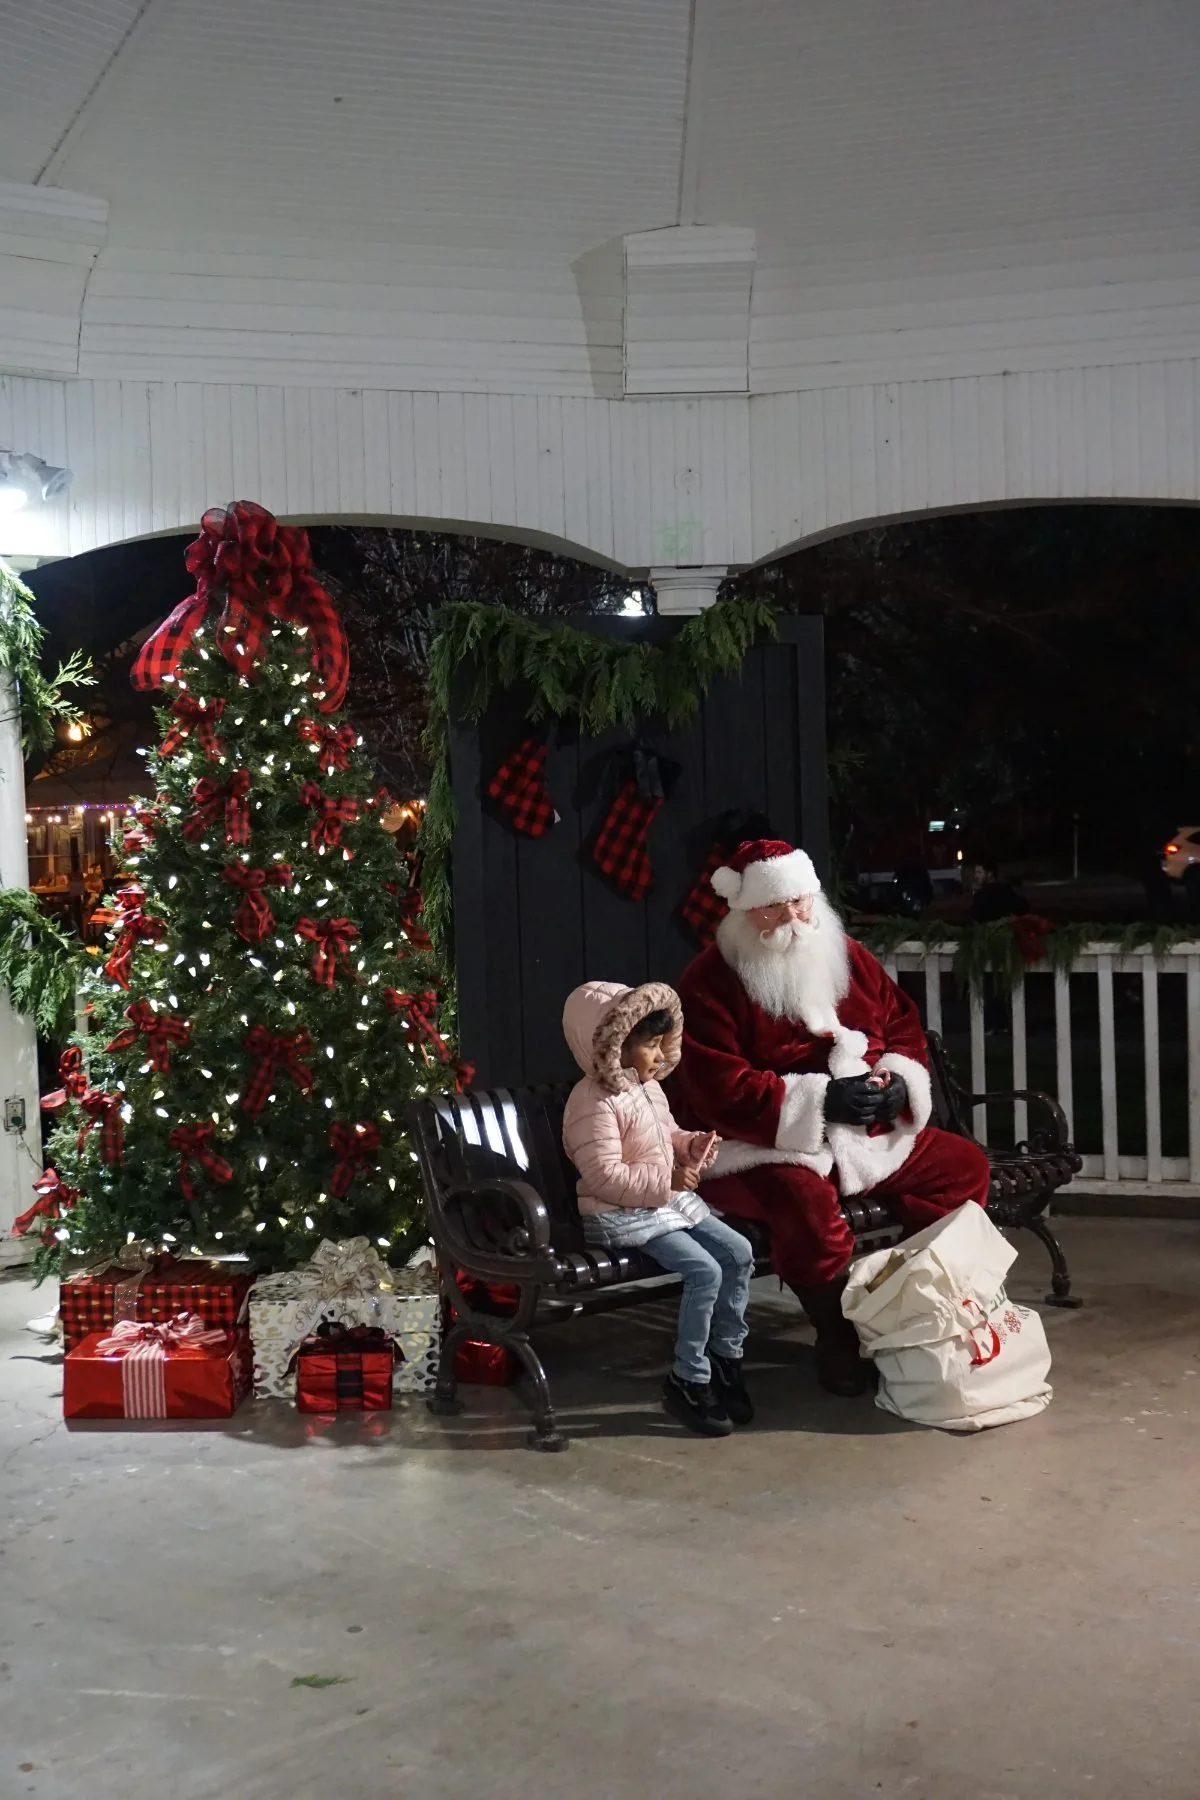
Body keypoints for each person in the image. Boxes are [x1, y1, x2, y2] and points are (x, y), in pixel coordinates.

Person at [674, 839, 990, 1398]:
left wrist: (897, 1083)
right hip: (766, 1141)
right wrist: (821, 1103)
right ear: (744, 912)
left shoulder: (847, 954)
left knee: (962, 1167)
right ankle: (837, 1335)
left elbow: (901, 1024)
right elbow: (717, 1087)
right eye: (773, 908)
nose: (792, 919)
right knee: (806, 1211)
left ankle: (906, 1301)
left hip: (863, 1129)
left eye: (800, 902)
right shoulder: (710, 981)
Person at [562, 979, 755, 1438]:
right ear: (616, 1045)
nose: (659, 1055)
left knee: (739, 1252)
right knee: (705, 1271)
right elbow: (604, 1176)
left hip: (662, 1203)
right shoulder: (592, 1103)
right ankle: (689, 1377)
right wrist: (666, 1180)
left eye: (661, 1043)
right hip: (619, 1214)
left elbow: (664, 1135)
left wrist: (689, 1146)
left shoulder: (648, 1089)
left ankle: (725, 1357)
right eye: (650, 1045)